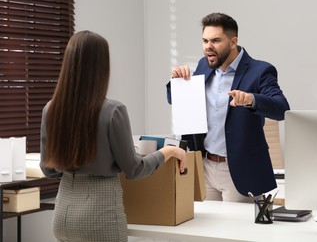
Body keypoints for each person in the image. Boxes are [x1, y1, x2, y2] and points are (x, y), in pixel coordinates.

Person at [40, 30, 187, 242]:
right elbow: (135, 169)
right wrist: (169, 151)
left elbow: (49, 169)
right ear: (101, 66)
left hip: (62, 216)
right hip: (99, 217)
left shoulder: (50, 109)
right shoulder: (113, 110)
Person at [166, 13, 290, 202]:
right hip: (205, 166)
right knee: (206, 229)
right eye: (205, 40)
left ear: (233, 42)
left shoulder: (260, 71)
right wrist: (177, 83)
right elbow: (179, 103)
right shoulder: (203, 65)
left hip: (240, 171)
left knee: (240, 231)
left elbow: (281, 109)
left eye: (215, 40)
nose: (208, 46)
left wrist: (251, 99)